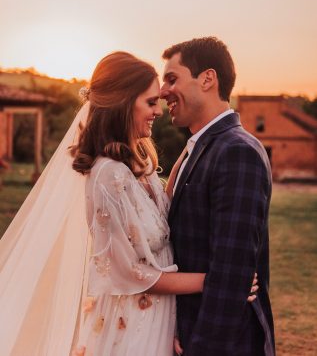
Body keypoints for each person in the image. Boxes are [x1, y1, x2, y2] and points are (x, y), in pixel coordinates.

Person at [0, 51, 257, 356]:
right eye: (150, 102)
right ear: (123, 103)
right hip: (135, 323)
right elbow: (127, 273)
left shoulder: (142, 167)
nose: (158, 110)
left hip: (162, 316)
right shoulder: (107, 174)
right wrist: (215, 282)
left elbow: (165, 221)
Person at [161, 37, 275, 356]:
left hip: (221, 344)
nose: (162, 91)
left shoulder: (237, 151)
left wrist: (202, 347)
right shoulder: (199, 148)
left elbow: (231, 271)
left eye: (172, 79)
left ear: (208, 79)